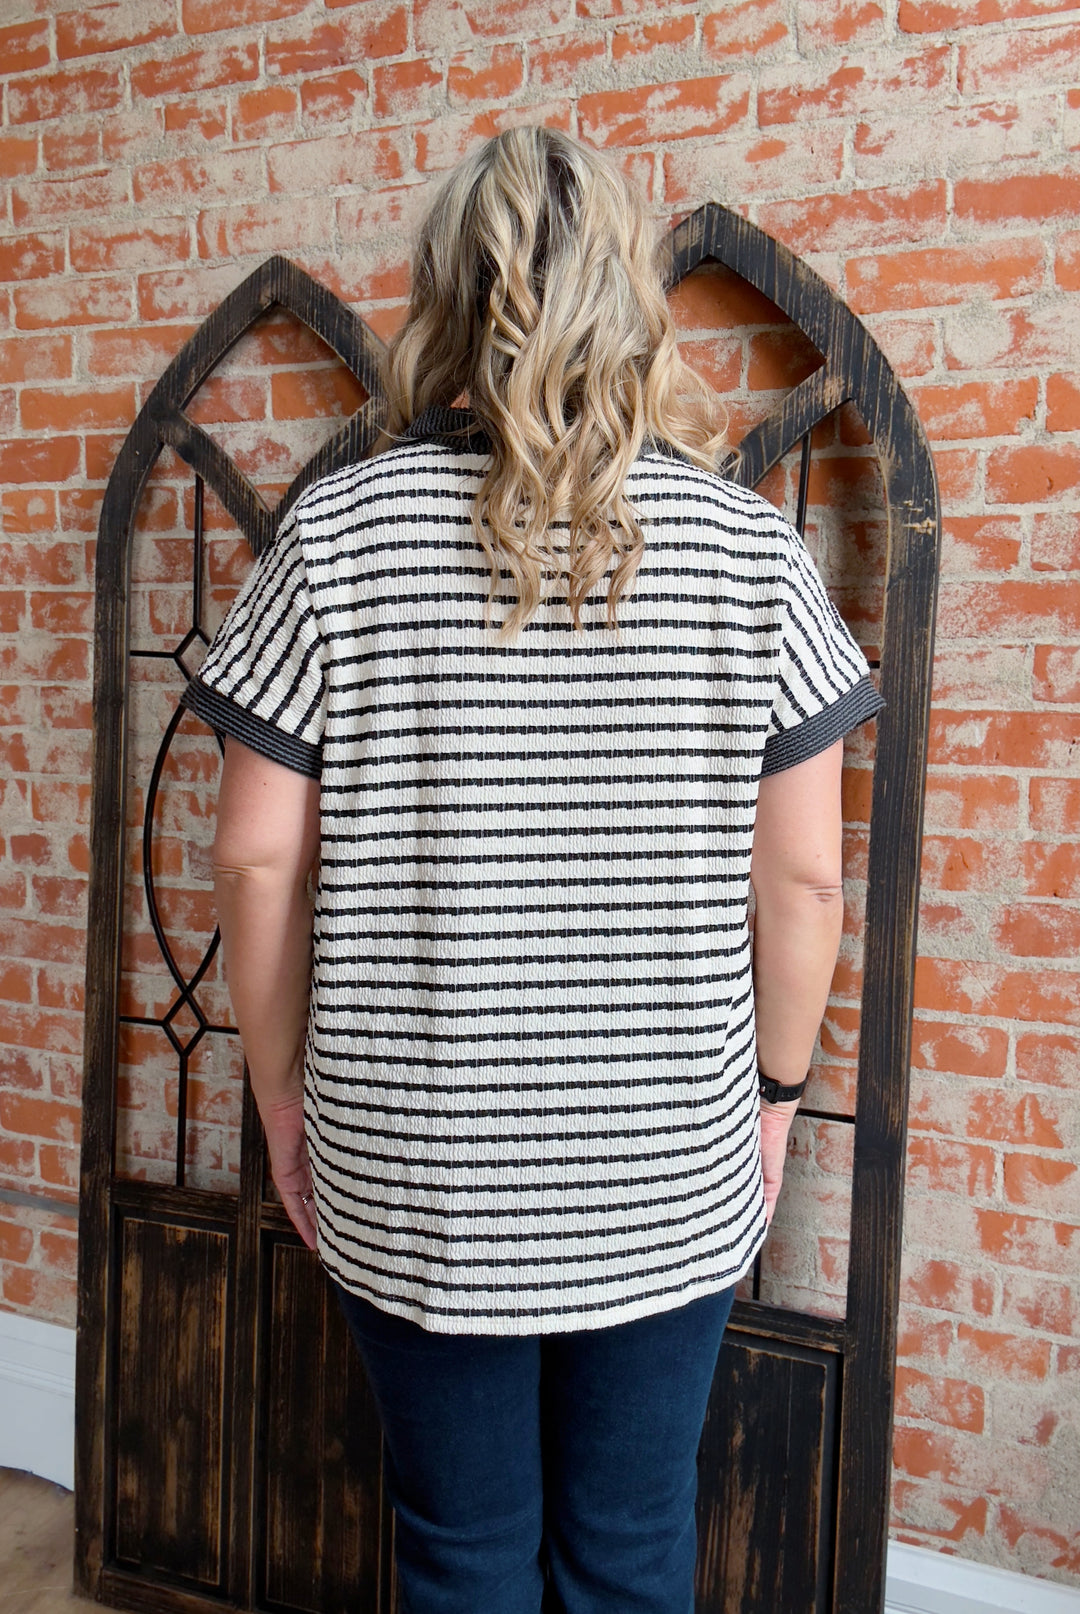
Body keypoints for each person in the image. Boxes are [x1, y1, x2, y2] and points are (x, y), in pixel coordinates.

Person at [182, 125, 883, 1614]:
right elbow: (807, 888)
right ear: (629, 297)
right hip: (665, 1160)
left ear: (445, 293)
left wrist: (283, 1100)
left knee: (459, 1550)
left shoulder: (335, 532)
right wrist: (770, 1106)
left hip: (415, 1159)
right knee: (629, 1550)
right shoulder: (749, 549)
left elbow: (253, 863)